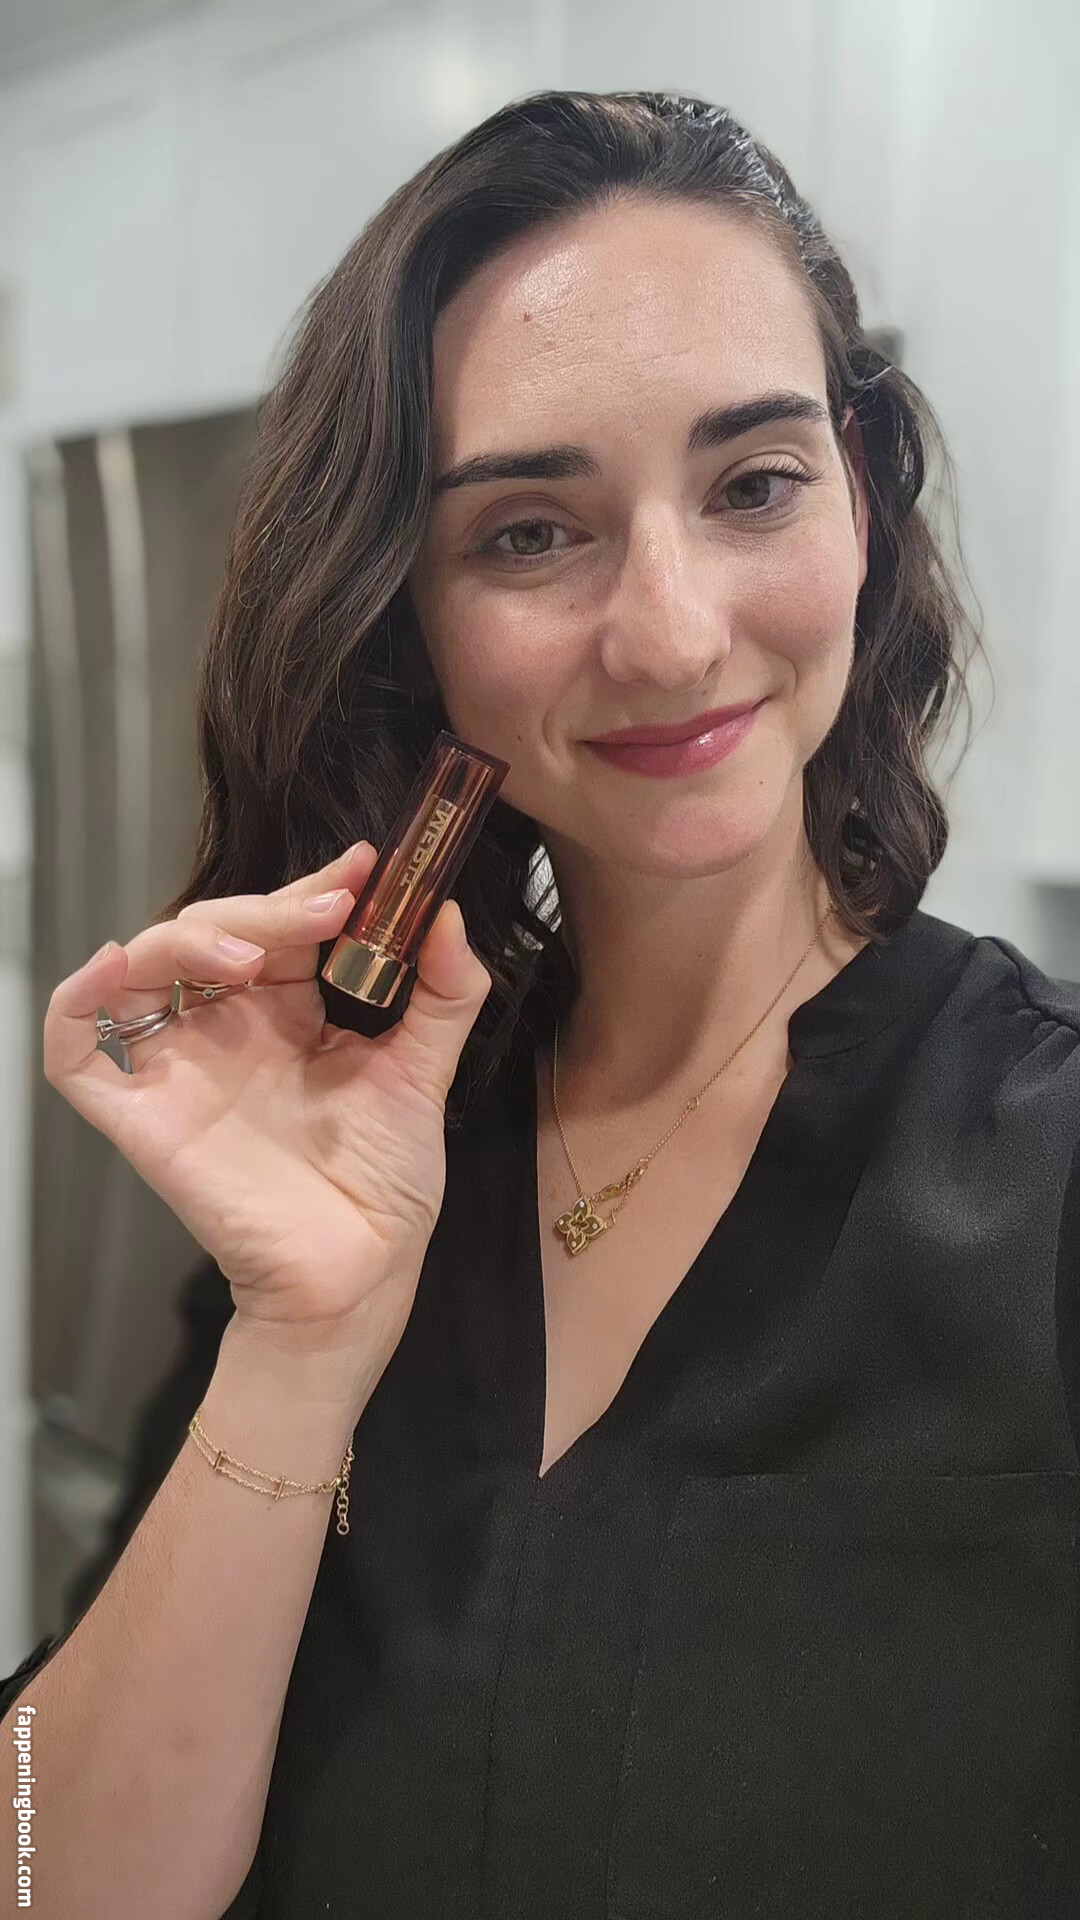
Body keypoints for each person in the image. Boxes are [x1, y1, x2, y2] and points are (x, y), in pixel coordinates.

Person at [2, 87, 1078, 1919]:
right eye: (526, 533)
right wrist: (301, 1344)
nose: (670, 632)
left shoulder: (1040, 1172)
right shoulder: (366, 1150)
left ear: (860, 497)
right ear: (406, 614)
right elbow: (49, 1872)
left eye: (753, 484)